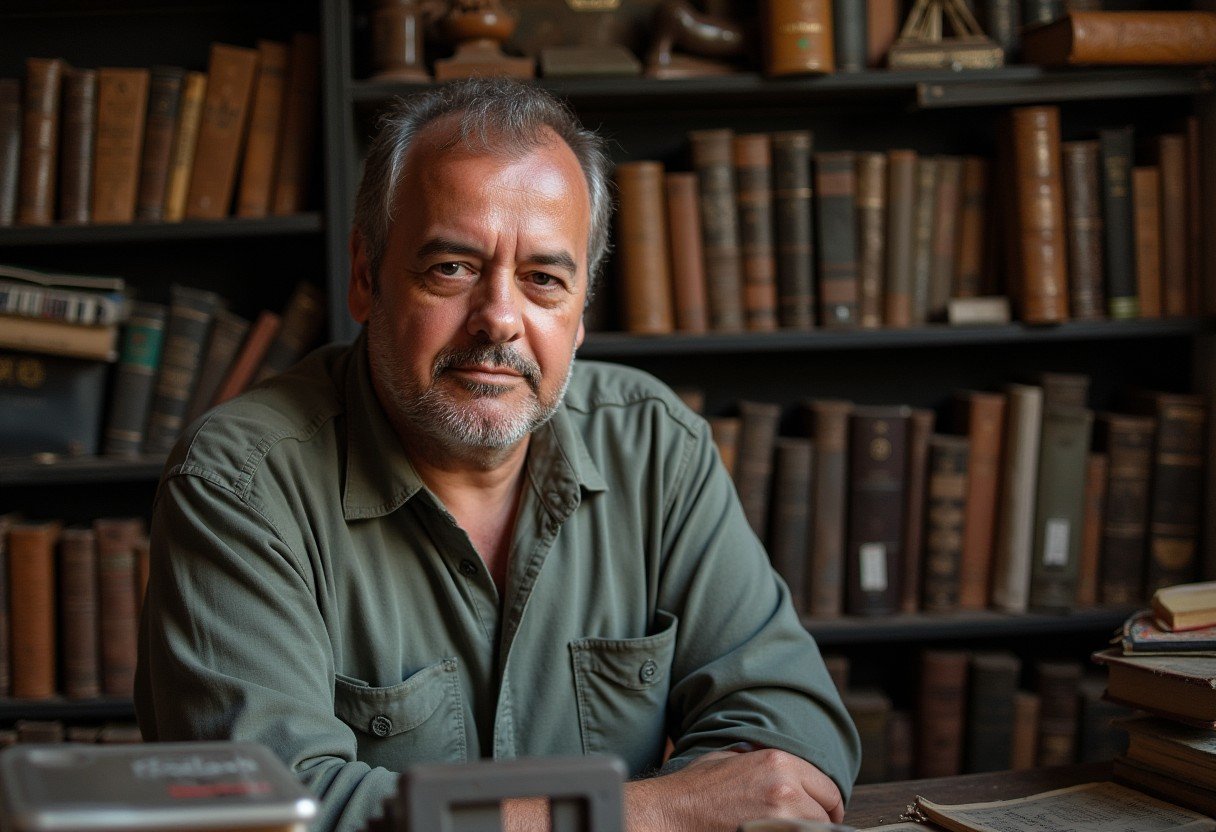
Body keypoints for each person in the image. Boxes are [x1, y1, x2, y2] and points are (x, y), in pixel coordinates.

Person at [135, 78, 860, 832]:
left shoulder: (653, 444)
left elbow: (789, 736)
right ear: (364, 278)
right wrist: (651, 813)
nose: (499, 322)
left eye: (544, 279)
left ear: (580, 312)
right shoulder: (238, 484)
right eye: (451, 268)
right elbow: (264, 812)